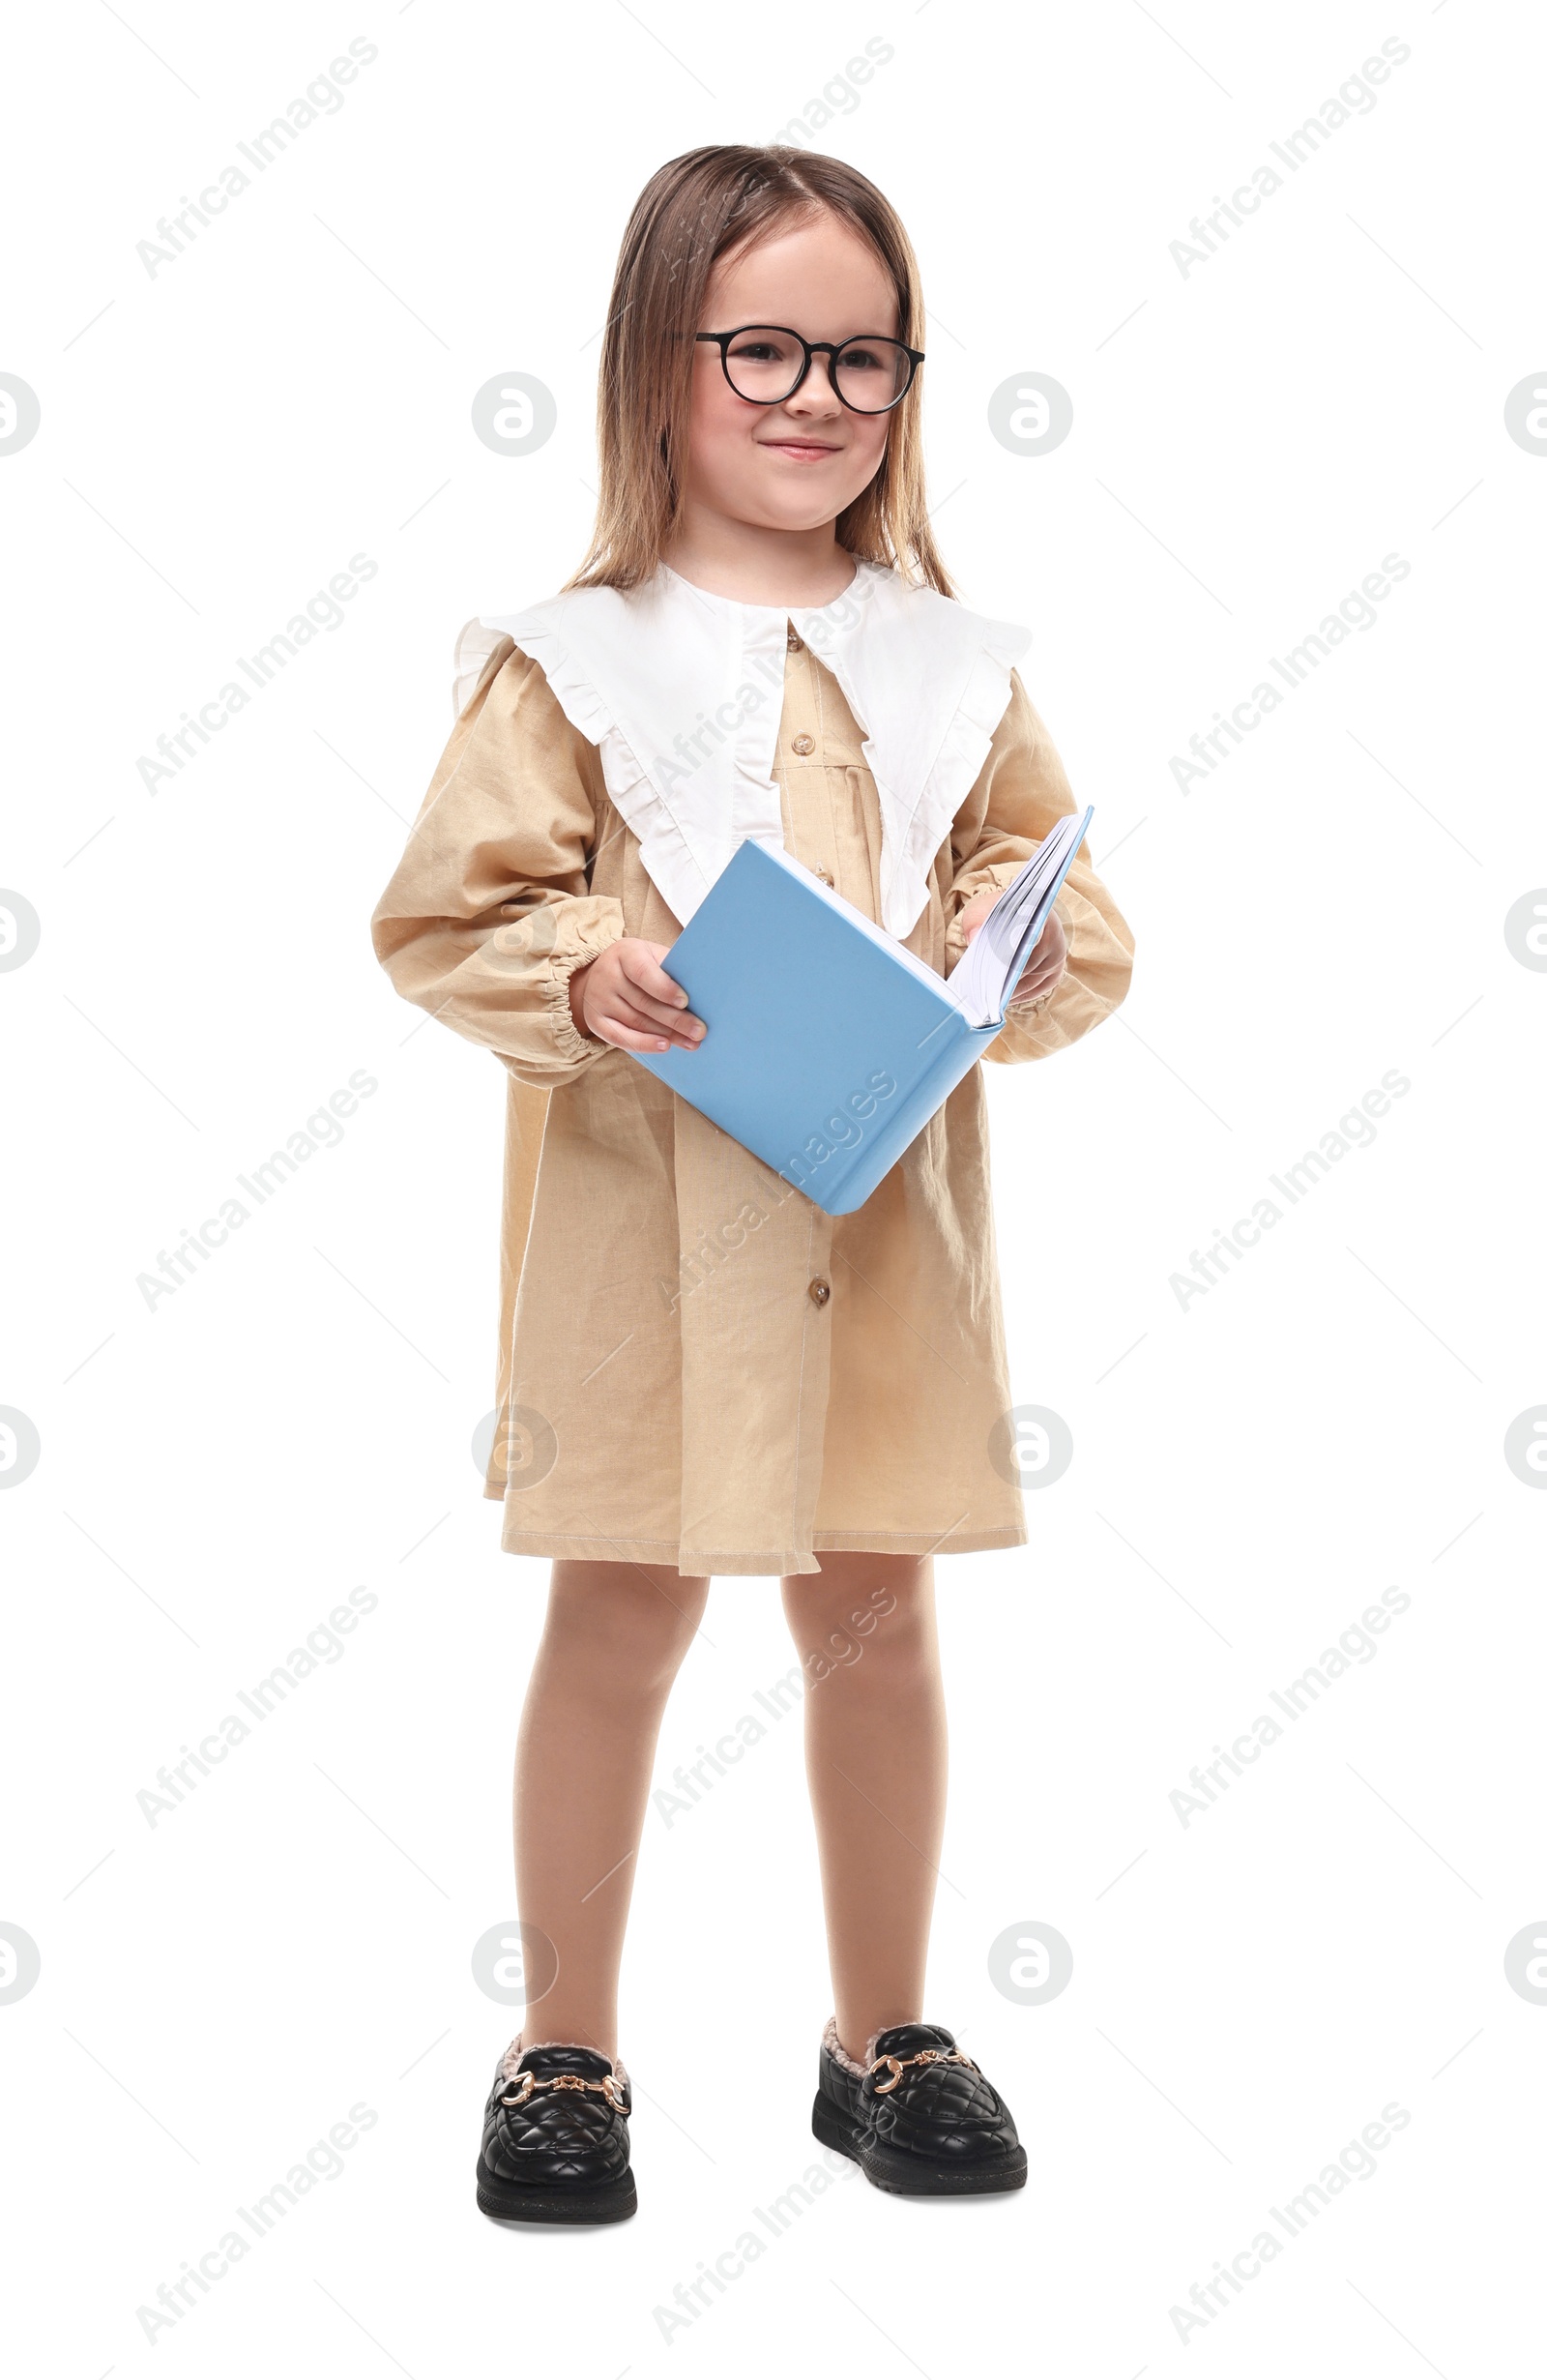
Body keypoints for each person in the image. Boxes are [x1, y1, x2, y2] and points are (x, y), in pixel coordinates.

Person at [370, 143, 1134, 2224]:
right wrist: (584, 969)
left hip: (878, 1216)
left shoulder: (949, 660)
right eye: (764, 348)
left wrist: (1021, 936)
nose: (813, 396)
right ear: (658, 366)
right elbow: (445, 918)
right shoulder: (569, 659)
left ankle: (880, 2030)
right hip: (647, 1227)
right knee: (616, 1613)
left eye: (861, 358)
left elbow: (1049, 893)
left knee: (873, 1617)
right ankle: (566, 2044)